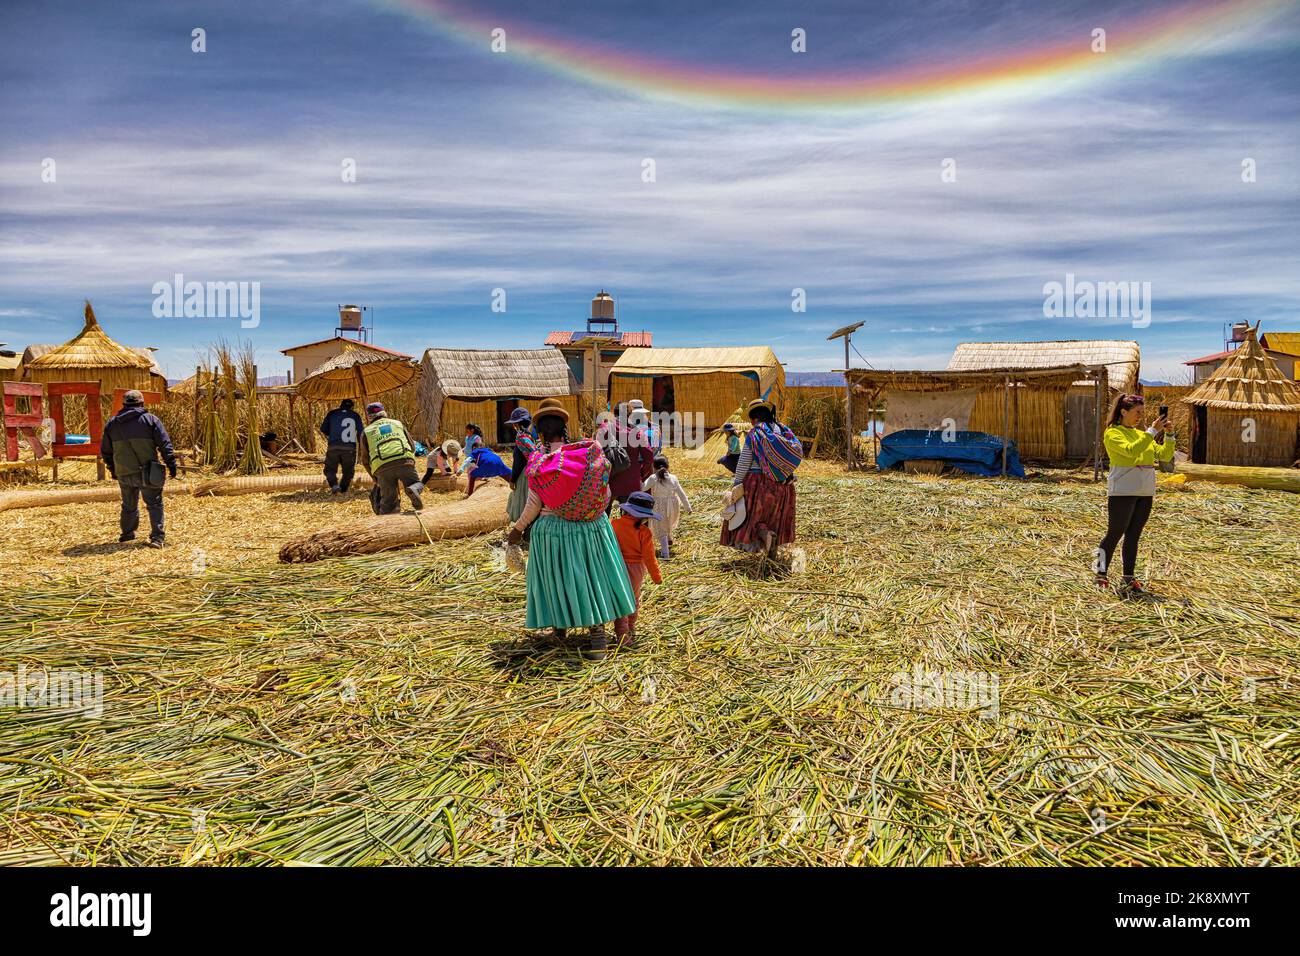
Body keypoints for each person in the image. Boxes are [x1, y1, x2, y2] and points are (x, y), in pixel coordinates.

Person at [505, 399, 635, 660]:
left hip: (554, 533)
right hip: (592, 528)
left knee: (558, 579)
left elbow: (533, 504)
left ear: (540, 433)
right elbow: (606, 492)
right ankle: (597, 637)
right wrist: (585, 513)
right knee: (591, 578)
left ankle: (560, 629)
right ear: (565, 428)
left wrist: (517, 530)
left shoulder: (541, 462)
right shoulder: (586, 454)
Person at [1095, 394, 1175, 599]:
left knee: (1134, 536)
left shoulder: (1141, 434)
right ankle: (1100, 573)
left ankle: (1128, 577)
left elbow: (1164, 455)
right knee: (1114, 533)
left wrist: (1168, 435)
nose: (1141, 416)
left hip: (1145, 491)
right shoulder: (1113, 433)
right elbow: (1130, 452)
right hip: (1123, 490)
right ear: (1123, 411)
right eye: (1137, 412)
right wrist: (1151, 432)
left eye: (1142, 412)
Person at [721, 398, 802, 559]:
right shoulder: (783, 430)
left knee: (753, 518)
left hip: (758, 484)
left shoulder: (756, 433)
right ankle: (772, 545)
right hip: (783, 484)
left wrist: (737, 483)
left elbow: (744, 461)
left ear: (754, 418)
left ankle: (765, 535)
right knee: (775, 517)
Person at [102, 389, 177, 548]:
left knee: (128, 504)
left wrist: (113, 470)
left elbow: (106, 451)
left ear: (123, 405)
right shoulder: (150, 420)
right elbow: (165, 445)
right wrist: (171, 464)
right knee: (154, 503)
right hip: (148, 472)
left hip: (124, 471)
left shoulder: (112, 424)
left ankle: (127, 534)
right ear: (142, 403)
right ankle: (157, 538)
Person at [611, 491, 664, 646]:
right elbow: (649, 557)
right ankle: (627, 632)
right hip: (635, 570)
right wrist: (657, 577)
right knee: (632, 600)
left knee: (620, 598)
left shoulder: (613, 524)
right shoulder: (644, 532)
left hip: (615, 566)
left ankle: (623, 631)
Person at [358, 401, 424, 515]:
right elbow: (412, 446)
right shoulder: (397, 423)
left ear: (369, 417)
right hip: (404, 460)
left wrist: (374, 477)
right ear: (384, 413)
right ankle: (414, 488)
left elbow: (365, 460)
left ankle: (389, 524)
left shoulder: (366, 432)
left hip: (382, 467)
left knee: (389, 502)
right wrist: (409, 461)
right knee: (416, 484)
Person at [597, 402, 654, 511]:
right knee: (629, 516)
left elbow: (596, 449)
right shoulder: (636, 432)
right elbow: (649, 456)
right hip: (630, 482)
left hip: (608, 480)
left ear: (614, 413)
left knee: (604, 517)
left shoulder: (605, 428)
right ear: (629, 415)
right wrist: (641, 473)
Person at [643, 454, 692, 558]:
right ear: (668, 466)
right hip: (673, 506)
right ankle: (670, 539)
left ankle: (665, 554)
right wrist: (688, 507)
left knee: (661, 529)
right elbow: (681, 494)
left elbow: (643, 488)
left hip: (659, 507)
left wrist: (637, 480)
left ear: (654, 467)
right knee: (668, 522)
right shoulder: (673, 478)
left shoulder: (653, 478)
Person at [320, 398, 364, 493]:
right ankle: (343, 489)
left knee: (330, 469)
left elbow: (323, 428)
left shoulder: (332, 414)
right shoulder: (355, 415)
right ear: (352, 407)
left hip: (333, 446)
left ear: (341, 405)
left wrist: (332, 433)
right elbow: (361, 433)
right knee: (348, 472)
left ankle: (334, 485)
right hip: (349, 448)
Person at [505, 406, 535, 527]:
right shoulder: (532, 436)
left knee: (522, 501)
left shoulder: (521, 438)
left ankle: (523, 527)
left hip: (524, 474)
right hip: (533, 472)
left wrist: (513, 479)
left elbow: (518, 461)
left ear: (517, 424)